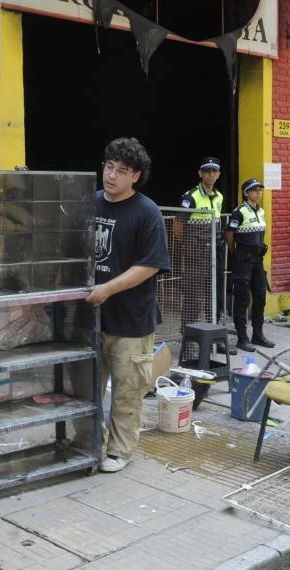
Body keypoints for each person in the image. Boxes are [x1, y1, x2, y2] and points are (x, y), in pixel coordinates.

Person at [87, 138, 171, 473]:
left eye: (122, 171)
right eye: (109, 166)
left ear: (135, 176)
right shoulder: (90, 203)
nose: (111, 175)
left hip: (132, 321)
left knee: (127, 391)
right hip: (91, 319)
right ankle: (92, 445)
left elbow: (150, 265)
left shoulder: (147, 213)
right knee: (88, 389)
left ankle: (119, 451)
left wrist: (107, 288)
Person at [179, 156, 228, 335]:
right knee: (194, 296)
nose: (210, 174)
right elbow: (178, 226)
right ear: (200, 173)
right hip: (196, 254)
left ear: (219, 174)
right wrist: (189, 247)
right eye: (206, 171)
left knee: (214, 294)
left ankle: (213, 334)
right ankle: (189, 335)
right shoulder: (191, 197)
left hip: (215, 253)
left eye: (214, 171)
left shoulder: (219, 197)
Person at [227, 178, 274, 352]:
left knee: (260, 296)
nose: (258, 193)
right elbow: (229, 234)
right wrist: (235, 252)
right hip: (243, 260)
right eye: (254, 190)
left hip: (257, 261)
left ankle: (258, 335)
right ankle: (242, 337)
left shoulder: (260, 211)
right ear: (246, 193)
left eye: (259, 190)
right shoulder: (239, 212)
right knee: (242, 299)